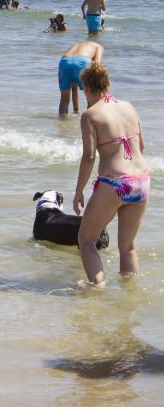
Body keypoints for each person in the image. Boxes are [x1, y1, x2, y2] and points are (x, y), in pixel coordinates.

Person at [73, 63, 148, 285]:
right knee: (128, 247)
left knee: (86, 241)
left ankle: (97, 293)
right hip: (141, 180)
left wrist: (79, 191)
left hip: (114, 182)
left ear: (86, 88)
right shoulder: (129, 107)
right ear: (108, 84)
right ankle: (127, 302)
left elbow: (89, 157)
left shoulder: (90, 115)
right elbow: (141, 146)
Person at [57, 40, 103, 116]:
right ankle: (90, 122)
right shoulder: (98, 46)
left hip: (64, 61)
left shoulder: (78, 44)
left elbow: (74, 87)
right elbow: (97, 65)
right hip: (82, 61)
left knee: (64, 100)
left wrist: (76, 110)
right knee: (90, 98)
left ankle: (63, 124)